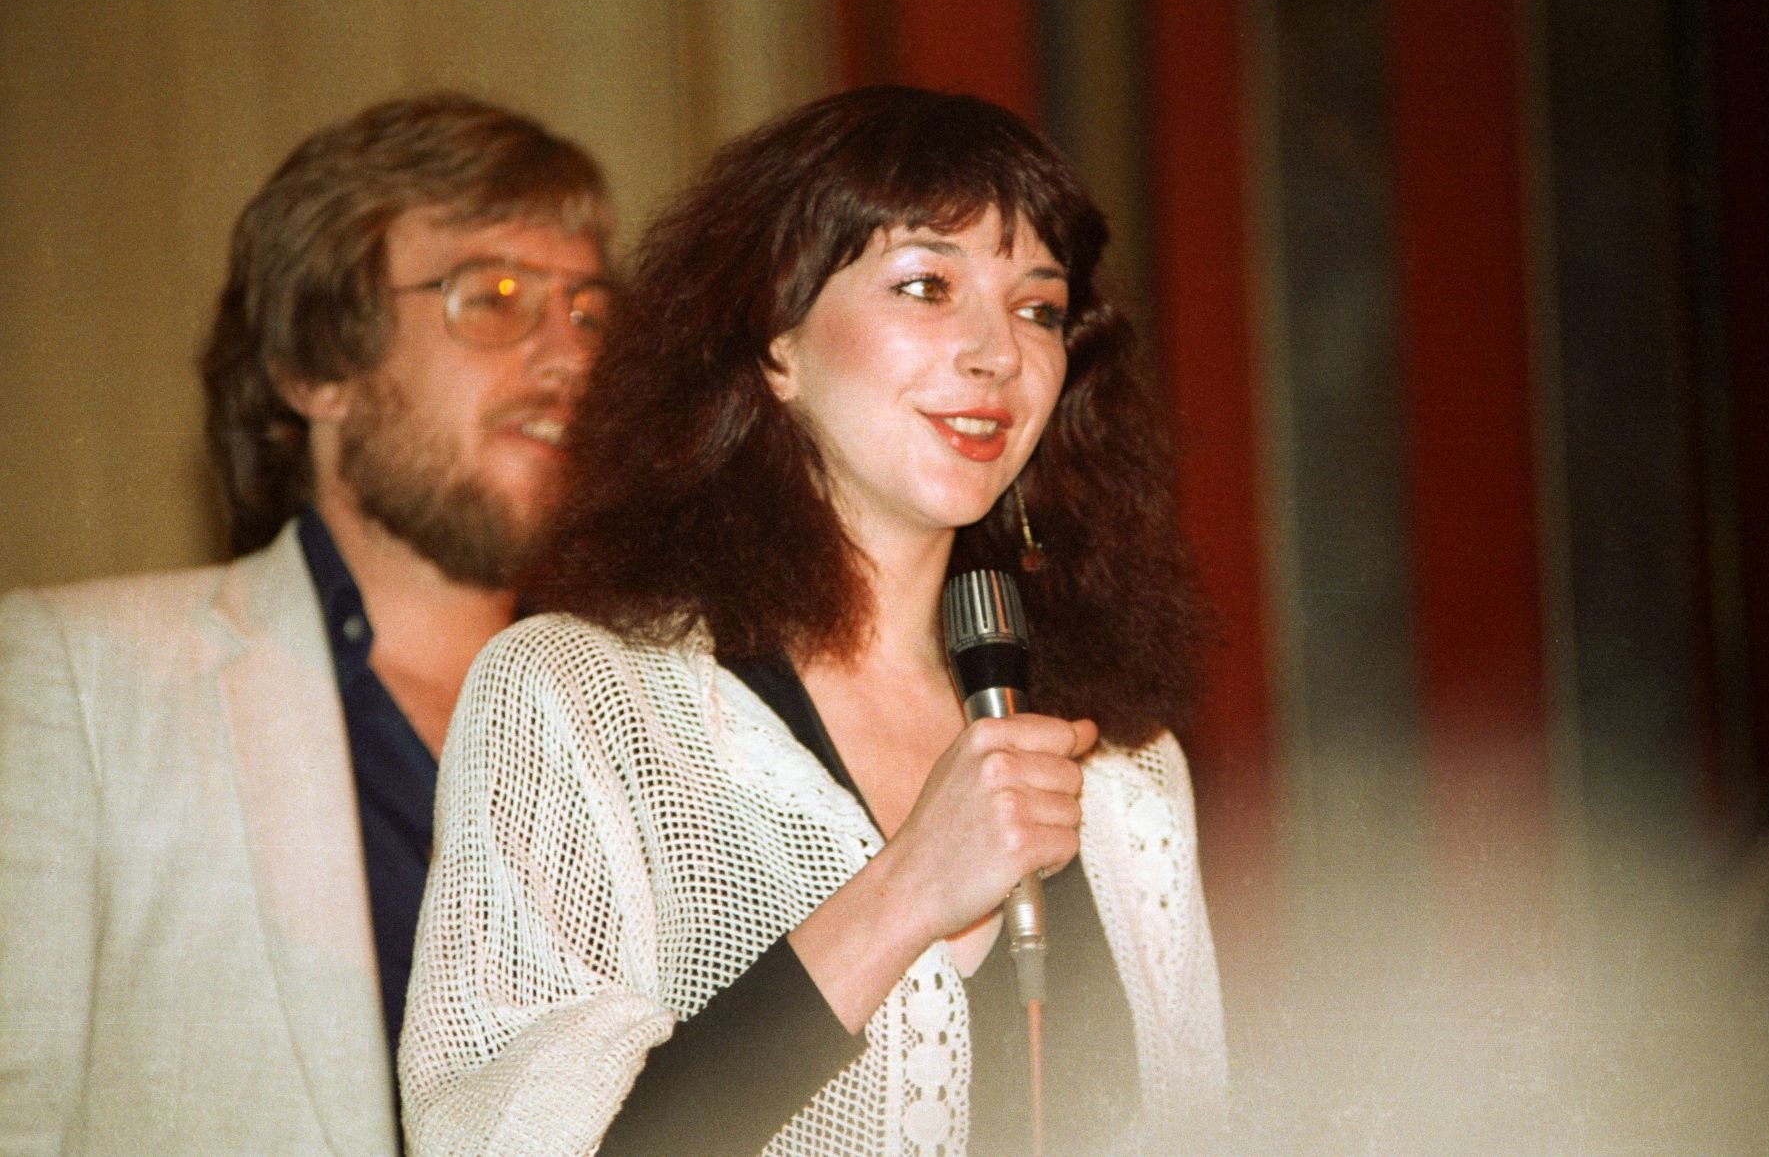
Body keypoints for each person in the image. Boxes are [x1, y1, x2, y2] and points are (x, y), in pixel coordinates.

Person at [400, 85, 1225, 1157]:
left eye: (1038, 307)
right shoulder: (580, 698)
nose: (996, 352)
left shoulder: (1122, 764)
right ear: (775, 344)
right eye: (927, 285)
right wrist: (909, 887)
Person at [0, 92, 612, 1155]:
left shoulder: (655, 710)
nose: (569, 355)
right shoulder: (79, 678)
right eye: (497, 294)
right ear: (315, 363)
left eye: (592, 311)